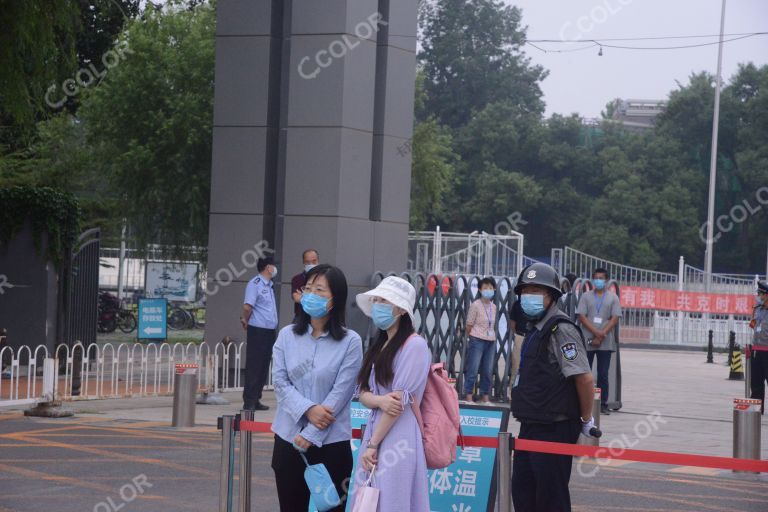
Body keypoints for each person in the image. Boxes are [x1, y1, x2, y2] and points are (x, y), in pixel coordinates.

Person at [270, 264, 363, 512]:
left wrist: (310, 435)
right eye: (308, 288)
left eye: (320, 290)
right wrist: (309, 410)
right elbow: (280, 383)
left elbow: (341, 394)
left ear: (335, 299)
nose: (311, 295)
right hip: (288, 441)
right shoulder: (287, 336)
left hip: (331, 445)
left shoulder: (350, 342)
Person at [511, 262, 597, 512]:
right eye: (526, 291)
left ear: (553, 296)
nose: (529, 296)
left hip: (555, 425)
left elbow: (583, 377)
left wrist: (586, 418)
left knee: (550, 497)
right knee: (523, 490)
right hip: (532, 423)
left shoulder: (562, 329)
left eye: (537, 291)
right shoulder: (535, 329)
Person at [351, 276, 431, 512]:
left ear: (401, 309)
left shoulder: (414, 345)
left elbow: (397, 404)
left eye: (384, 300)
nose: (377, 305)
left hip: (399, 437)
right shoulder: (379, 344)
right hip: (376, 432)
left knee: (393, 500)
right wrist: (380, 401)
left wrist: (373, 444)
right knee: (368, 499)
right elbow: (363, 392)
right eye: (375, 300)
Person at [576, 268, 622, 414]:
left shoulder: (613, 298)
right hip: (587, 339)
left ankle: (603, 403)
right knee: (585, 373)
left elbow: (615, 318)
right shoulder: (585, 296)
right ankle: (583, 402)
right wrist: (596, 332)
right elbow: (581, 316)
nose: (598, 281)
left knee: (603, 374)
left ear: (606, 280)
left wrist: (601, 335)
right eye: (596, 278)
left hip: (606, 342)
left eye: (601, 278)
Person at [240, 256, 279, 411]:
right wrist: (246, 320)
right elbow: (248, 306)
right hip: (258, 330)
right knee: (254, 365)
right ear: (268, 267)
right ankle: (249, 401)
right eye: (273, 266)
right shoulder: (254, 283)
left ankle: (256, 398)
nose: (275, 269)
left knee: (263, 365)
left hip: (269, 331)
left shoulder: (269, 285)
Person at [463, 277, 497, 404]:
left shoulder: (494, 307)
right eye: (485, 288)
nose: (488, 290)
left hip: (490, 340)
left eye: (490, 288)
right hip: (477, 340)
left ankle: (485, 397)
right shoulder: (475, 305)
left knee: (487, 370)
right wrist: (472, 337)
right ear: (480, 290)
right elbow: (469, 324)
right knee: (473, 368)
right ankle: (469, 396)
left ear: (494, 289)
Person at [749, 280, 768, 414]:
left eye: (761, 294)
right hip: (756, 350)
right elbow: (753, 325)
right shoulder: (757, 309)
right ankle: (757, 408)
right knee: (756, 382)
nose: (759, 296)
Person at [291, 249, 320, 318]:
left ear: (318, 261)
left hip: (318, 316)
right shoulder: (297, 279)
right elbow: (296, 298)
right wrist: (316, 298)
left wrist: (304, 296)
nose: (311, 264)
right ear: (303, 262)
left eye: (314, 261)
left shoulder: (324, 278)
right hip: (301, 316)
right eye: (307, 262)